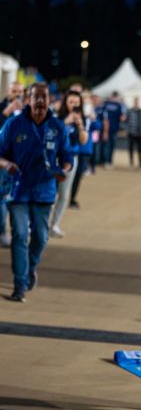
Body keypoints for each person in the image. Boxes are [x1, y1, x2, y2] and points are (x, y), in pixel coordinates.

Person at [0, 82, 73, 302]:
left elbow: (67, 157)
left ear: (50, 100)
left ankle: (30, 267)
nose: (40, 101)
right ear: (28, 99)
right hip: (18, 191)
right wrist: (7, 165)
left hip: (44, 191)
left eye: (44, 97)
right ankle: (19, 285)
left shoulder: (58, 127)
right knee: (20, 236)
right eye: (35, 97)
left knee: (40, 238)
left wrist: (63, 171)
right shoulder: (14, 124)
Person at [50, 90, 88, 237]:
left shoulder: (82, 118)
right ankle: (37, 224)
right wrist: (66, 121)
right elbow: (52, 133)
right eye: (71, 102)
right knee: (49, 192)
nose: (74, 105)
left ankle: (55, 225)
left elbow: (84, 140)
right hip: (54, 158)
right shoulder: (56, 116)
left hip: (71, 159)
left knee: (64, 194)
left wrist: (80, 125)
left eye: (77, 103)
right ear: (65, 102)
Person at [0, 82, 25, 247]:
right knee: (2, 198)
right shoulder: (2, 108)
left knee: (18, 199)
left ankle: (18, 232)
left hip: (21, 161)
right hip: (3, 161)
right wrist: (7, 112)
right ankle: (2, 232)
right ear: (8, 92)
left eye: (19, 92)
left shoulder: (26, 110)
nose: (16, 94)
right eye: (13, 91)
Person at [103, 91, 126, 167]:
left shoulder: (106, 104)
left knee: (108, 145)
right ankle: (108, 161)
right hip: (111, 128)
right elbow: (123, 118)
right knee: (110, 146)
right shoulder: (119, 105)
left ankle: (107, 161)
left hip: (110, 128)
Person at [126, 97, 141, 167]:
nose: (136, 103)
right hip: (131, 132)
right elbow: (126, 120)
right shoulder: (129, 111)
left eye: (137, 102)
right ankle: (131, 162)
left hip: (139, 133)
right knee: (131, 148)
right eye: (135, 102)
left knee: (140, 148)